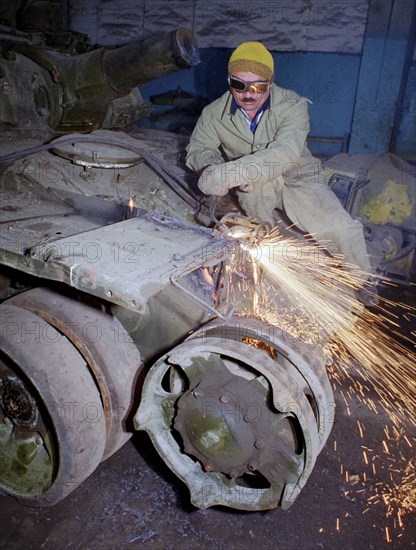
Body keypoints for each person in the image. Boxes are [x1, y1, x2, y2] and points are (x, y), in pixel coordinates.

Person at [186, 41, 377, 301]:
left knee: (338, 228)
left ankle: (362, 279)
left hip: (298, 176)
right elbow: (198, 147)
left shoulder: (293, 106)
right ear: (229, 81)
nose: (247, 94)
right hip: (254, 186)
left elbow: (285, 153)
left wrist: (230, 173)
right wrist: (209, 166)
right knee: (264, 236)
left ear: (271, 81)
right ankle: (269, 280)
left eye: (258, 86)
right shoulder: (213, 114)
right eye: (239, 85)